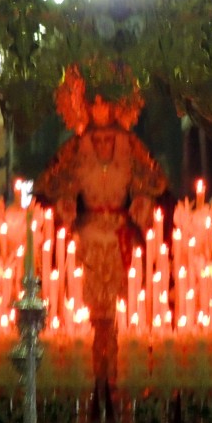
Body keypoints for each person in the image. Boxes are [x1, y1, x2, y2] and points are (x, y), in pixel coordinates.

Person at [36, 65, 167, 387]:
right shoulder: (75, 147)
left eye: (105, 100)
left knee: (124, 312)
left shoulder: (130, 145)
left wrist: (141, 202)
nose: (98, 106)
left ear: (119, 103)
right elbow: (54, 185)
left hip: (122, 240)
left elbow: (152, 182)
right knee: (87, 314)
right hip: (87, 240)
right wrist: (66, 202)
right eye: (91, 101)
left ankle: (122, 374)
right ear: (80, 103)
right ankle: (88, 374)